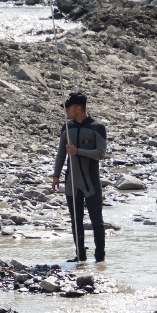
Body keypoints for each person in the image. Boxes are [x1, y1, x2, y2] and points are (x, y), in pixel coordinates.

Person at [52, 92, 108, 263]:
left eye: (68, 108)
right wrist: (56, 175)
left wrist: (77, 152)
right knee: (75, 222)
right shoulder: (67, 127)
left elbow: (100, 153)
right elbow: (61, 154)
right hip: (71, 183)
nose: (66, 111)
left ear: (78, 108)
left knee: (96, 221)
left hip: (90, 183)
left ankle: (100, 259)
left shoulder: (97, 127)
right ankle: (80, 256)